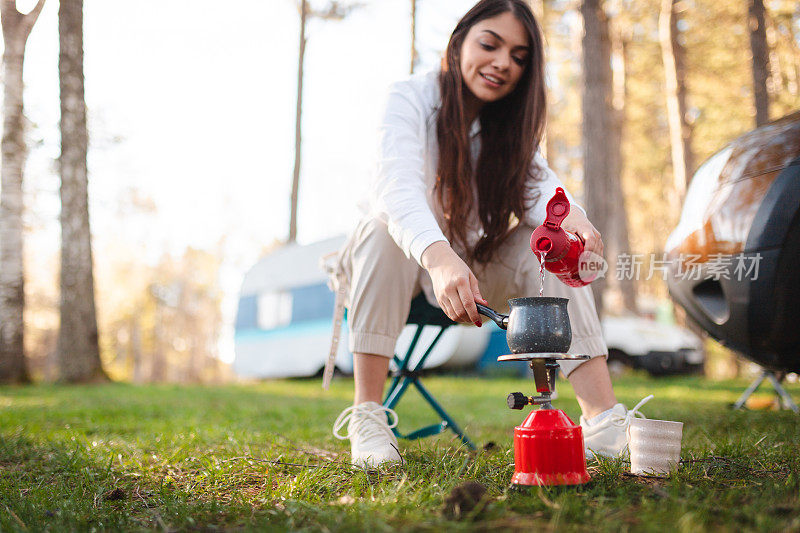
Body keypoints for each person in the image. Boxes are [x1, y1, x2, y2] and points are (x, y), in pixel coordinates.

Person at [328, 0, 649, 468]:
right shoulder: (409, 98)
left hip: (479, 276)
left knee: (547, 244)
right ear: (459, 41)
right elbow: (395, 188)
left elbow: (541, 186)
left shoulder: (509, 126)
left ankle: (601, 422)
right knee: (379, 227)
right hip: (414, 271)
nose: (503, 62)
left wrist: (572, 217)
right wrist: (439, 258)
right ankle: (368, 415)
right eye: (490, 44)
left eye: (519, 56)